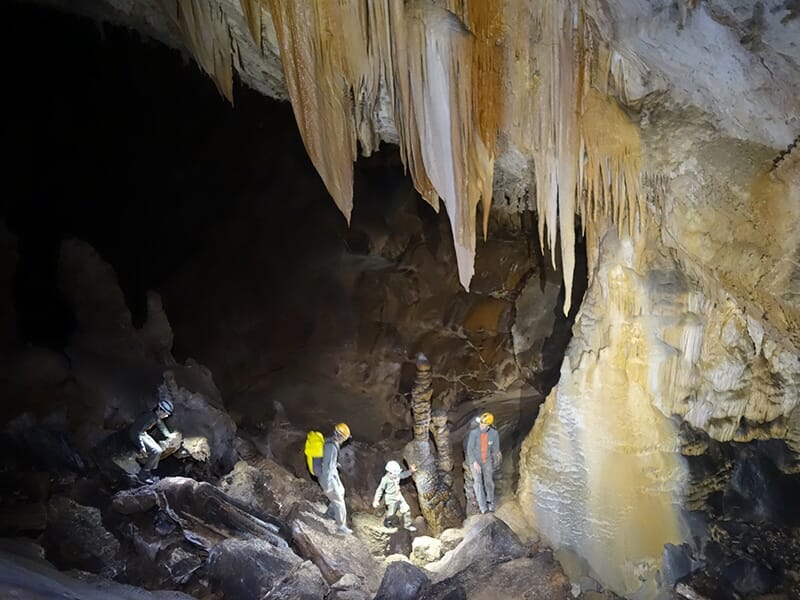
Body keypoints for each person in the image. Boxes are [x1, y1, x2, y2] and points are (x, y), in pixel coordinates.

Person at [129, 390, 175, 484]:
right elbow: (135, 431)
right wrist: (141, 446)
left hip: (143, 433)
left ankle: (148, 471)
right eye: (165, 413)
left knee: (158, 450)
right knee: (156, 451)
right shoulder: (149, 417)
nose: (166, 416)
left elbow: (160, 425)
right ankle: (143, 474)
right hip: (137, 435)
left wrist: (169, 435)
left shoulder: (155, 417)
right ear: (159, 410)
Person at [465, 411, 501, 514]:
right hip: (476, 461)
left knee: (488, 481)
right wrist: (474, 462)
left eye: (484, 424)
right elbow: (470, 449)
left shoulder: (494, 434)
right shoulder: (474, 433)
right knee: (478, 483)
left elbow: (495, 448)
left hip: (487, 460)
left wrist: (497, 455)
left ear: (488, 425)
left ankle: (490, 502)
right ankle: (483, 507)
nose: (481, 426)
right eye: (481, 423)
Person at [320, 422, 352, 535]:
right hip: (327, 476)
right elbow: (326, 468)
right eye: (345, 438)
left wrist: (335, 464)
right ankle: (341, 527)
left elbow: (328, 461)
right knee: (338, 500)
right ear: (342, 437)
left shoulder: (332, 442)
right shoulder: (331, 447)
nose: (344, 440)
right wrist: (328, 485)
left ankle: (330, 514)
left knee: (341, 491)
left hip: (332, 473)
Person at [372, 460, 417, 531]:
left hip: (399, 496)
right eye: (394, 474)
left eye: (397, 473)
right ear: (389, 472)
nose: (396, 475)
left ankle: (407, 525)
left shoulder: (397, 475)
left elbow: (404, 475)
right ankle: (388, 521)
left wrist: (410, 471)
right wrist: (376, 500)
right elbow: (380, 489)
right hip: (391, 498)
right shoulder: (385, 479)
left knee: (406, 509)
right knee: (391, 513)